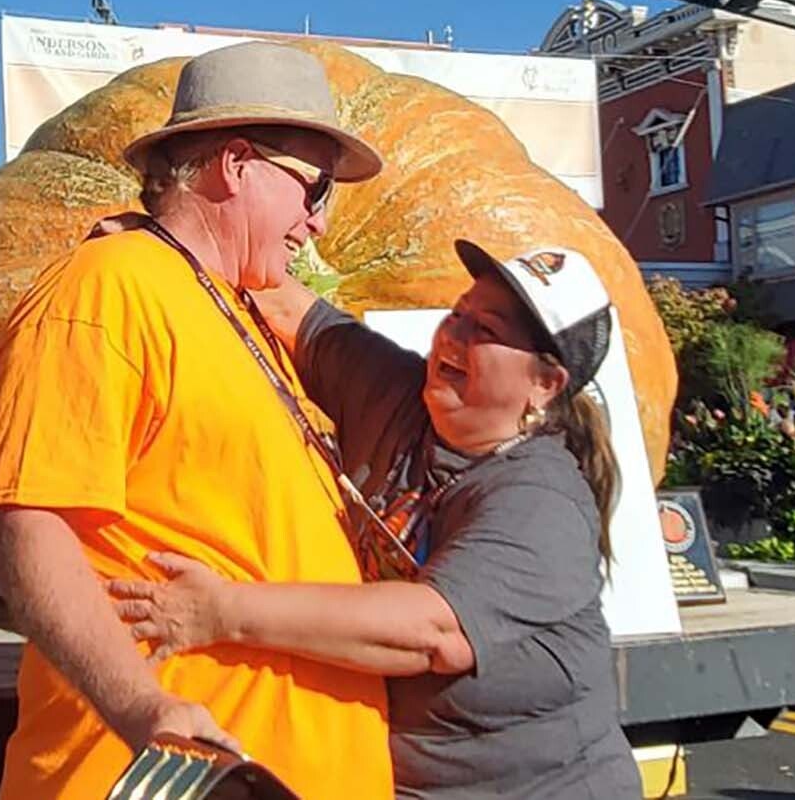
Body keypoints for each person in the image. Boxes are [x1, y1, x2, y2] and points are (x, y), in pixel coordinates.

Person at [0, 41, 392, 799]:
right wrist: (145, 710)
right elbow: (27, 527)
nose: (319, 225)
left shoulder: (235, 311)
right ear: (236, 165)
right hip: (172, 778)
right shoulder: (107, 290)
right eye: (315, 190)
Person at [110, 241, 642, 798]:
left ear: (545, 384)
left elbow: (430, 633)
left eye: (485, 329)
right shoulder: (397, 394)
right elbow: (287, 308)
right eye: (458, 313)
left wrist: (219, 611)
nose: (453, 335)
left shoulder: (542, 498)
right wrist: (170, 240)